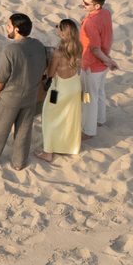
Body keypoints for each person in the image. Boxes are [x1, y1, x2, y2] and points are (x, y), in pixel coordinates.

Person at [0, 13, 48, 170]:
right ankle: (19, 162)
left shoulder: (11, 50)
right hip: (30, 95)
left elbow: (2, 78)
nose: (6, 28)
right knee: (24, 129)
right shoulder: (38, 45)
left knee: (0, 128)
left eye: (8, 26)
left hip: (11, 97)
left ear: (16, 29)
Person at [37, 19, 85, 162]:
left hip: (59, 89)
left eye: (59, 28)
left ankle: (48, 152)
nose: (57, 29)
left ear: (63, 33)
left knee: (48, 116)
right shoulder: (79, 46)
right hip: (74, 85)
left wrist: (44, 71)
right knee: (71, 118)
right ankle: (71, 148)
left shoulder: (58, 53)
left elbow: (51, 73)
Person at [81, 0, 119, 139]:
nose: (82, 4)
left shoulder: (91, 22)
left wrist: (109, 62)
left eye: (86, 3)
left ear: (96, 6)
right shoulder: (106, 13)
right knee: (100, 92)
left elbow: (95, 49)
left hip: (92, 65)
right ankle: (100, 120)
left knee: (88, 97)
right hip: (102, 63)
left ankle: (88, 131)